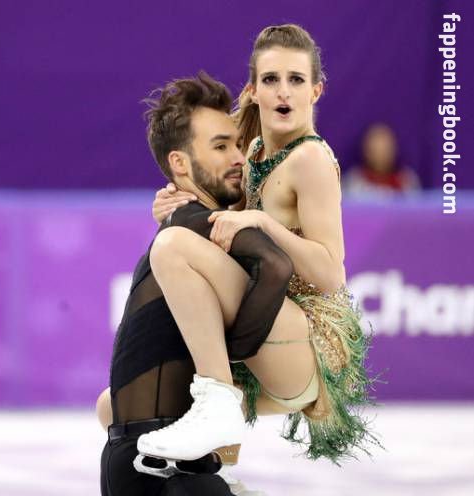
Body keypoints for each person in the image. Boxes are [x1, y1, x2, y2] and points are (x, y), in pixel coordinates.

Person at [142, 24, 378, 466]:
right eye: (271, 79)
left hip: (308, 345)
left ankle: (219, 403)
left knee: (173, 248)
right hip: (265, 330)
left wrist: (263, 223)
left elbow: (331, 274)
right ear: (252, 90)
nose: (283, 91)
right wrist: (175, 199)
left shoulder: (309, 159)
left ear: (316, 91)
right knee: (123, 407)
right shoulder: (252, 152)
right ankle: (222, 478)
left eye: (296, 79)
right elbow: (220, 223)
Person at [100, 72, 291, 495]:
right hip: (167, 471)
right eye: (221, 147)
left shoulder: (183, 229)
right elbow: (276, 266)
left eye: (238, 145)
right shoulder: (192, 226)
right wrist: (239, 358)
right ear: (180, 164)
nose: (239, 158)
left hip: (140, 460)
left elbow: (109, 403)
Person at [344, 122, 421, 197]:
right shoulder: (353, 181)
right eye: (375, 149)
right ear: (366, 151)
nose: (380, 154)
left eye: (385, 149)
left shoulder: (407, 181)